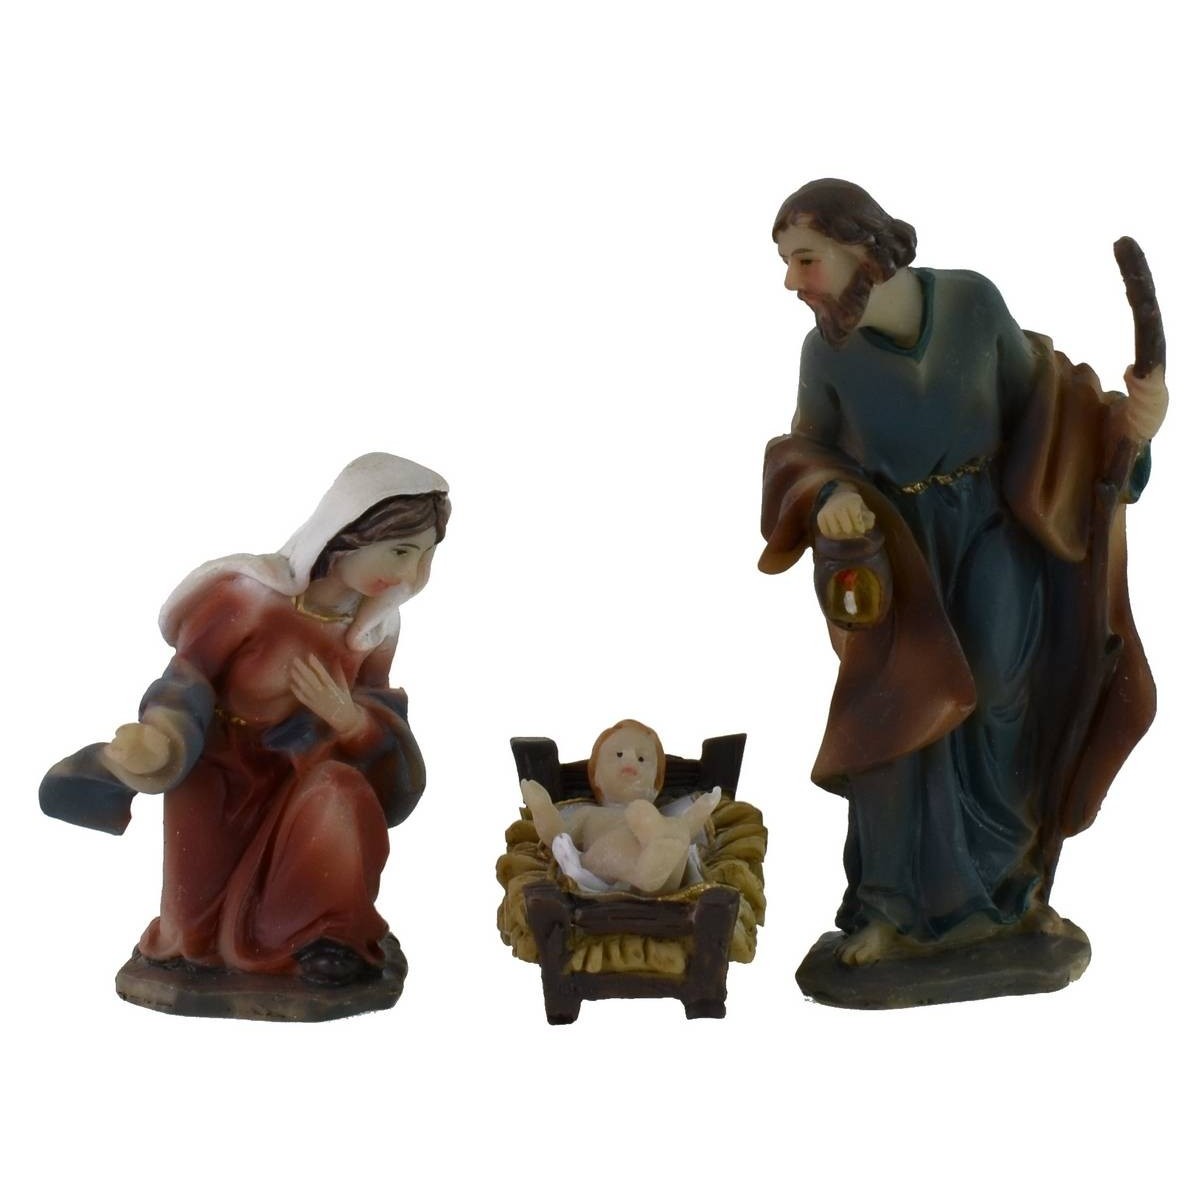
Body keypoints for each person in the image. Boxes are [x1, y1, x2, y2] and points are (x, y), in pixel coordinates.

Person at [759, 180, 1165, 966]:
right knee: (895, 715)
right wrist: (833, 493)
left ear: (863, 249)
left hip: (992, 532)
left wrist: (1129, 423)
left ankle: (1010, 896)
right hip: (899, 552)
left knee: (1003, 698)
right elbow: (805, 447)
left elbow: (1050, 401)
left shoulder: (972, 305)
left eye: (805, 259)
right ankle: (889, 909)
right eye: (788, 262)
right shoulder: (825, 353)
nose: (791, 282)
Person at [42, 453, 449, 984]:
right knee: (194, 938)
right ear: (347, 533)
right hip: (220, 774)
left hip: (301, 775)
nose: (410, 575)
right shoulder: (249, 597)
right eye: (400, 551)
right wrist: (162, 740)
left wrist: (349, 721)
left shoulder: (375, 630)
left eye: (425, 556)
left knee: (341, 793)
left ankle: (328, 936)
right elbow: (187, 678)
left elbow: (381, 716)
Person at [520, 719, 720, 895]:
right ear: (596, 777)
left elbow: (686, 829)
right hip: (602, 870)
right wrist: (542, 807)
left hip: (661, 875)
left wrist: (699, 812)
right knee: (640, 823)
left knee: (673, 830)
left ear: (655, 788)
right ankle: (649, 865)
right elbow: (559, 838)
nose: (630, 759)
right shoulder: (589, 814)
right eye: (619, 754)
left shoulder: (656, 818)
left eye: (642, 758)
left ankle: (657, 860)